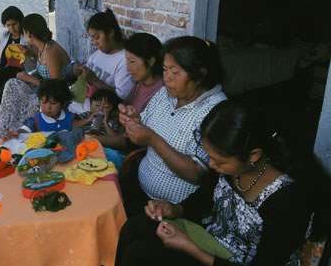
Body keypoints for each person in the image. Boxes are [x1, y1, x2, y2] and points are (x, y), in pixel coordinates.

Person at [115, 100, 311, 266]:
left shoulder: (288, 201)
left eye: (220, 161)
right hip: (210, 242)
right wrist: (174, 210)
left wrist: (190, 248)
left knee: (139, 254)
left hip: (230, 261)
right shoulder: (231, 168)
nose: (211, 164)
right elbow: (205, 197)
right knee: (137, 225)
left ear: (254, 155)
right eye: (210, 156)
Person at [119, 36, 227, 216]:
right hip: (139, 187)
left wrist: (152, 139)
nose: (167, 78)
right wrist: (133, 121)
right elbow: (141, 130)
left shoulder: (216, 111)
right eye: (164, 69)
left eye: (175, 72)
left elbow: (196, 174)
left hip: (171, 209)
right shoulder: (165, 92)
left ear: (199, 74)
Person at [0, 13, 72, 139]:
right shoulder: (40, 47)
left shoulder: (51, 51)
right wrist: (29, 53)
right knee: (12, 84)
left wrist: (29, 78)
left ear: (29, 34)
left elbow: (56, 86)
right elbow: (39, 65)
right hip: (44, 87)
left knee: (30, 102)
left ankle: (16, 137)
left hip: (56, 93)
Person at [95, 32, 164, 160]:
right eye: (127, 61)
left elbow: (128, 142)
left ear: (151, 61)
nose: (128, 68)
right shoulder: (140, 82)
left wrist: (94, 139)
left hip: (130, 155)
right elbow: (124, 107)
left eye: (132, 62)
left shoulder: (161, 94)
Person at [69, 8, 134, 114]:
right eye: (93, 39)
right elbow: (87, 73)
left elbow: (121, 99)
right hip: (76, 106)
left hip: (92, 114)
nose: (95, 42)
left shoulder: (124, 60)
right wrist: (80, 72)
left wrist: (94, 80)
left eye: (97, 37)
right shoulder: (99, 53)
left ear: (111, 33)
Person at [2, 79, 73, 140]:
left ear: (64, 103)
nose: (48, 107)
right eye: (44, 102)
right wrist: (17, 134)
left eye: (53, 103)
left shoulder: (71, 117)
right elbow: (25, 129)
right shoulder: (36, 120)